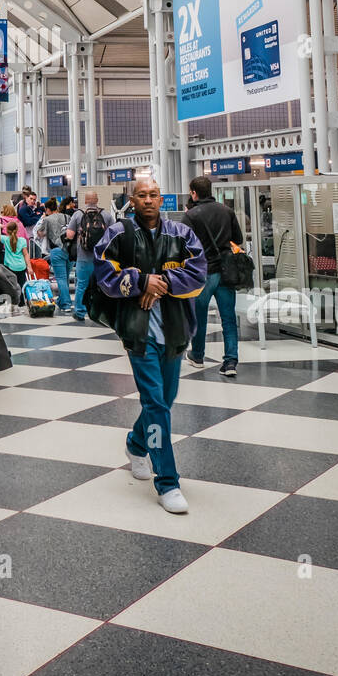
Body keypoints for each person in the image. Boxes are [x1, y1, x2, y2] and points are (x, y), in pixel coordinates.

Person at [94, 177, 207, 515]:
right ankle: (168, 482)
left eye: (153, 195)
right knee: (156, 404)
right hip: (138, 332)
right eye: (141, 195)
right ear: (132, 199)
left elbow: (198, 273)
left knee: (166, 399)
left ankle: (136, 444)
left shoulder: (182, 234)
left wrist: (161, 283)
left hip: (175, 331)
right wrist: (142, 280)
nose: (148, 200)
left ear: (162, 199)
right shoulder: (118, 233)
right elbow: (104, 275)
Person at [182, 176, 244, 377]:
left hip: (203, 273)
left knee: (199, 317)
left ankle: (197, 355)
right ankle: (230, 362)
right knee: (228, 318)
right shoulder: (227, 211)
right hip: (226, 272)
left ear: (194, 192)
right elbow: (239, 239)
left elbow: (183, 245)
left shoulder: (191, 215)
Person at [66, 191, 114, 320]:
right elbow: (114, 235)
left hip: (83, 257)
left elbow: (69, 235)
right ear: (97, 199)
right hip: (101, 258)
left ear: (85, 200)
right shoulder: (106, 215)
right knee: (102, 285)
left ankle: (80, 312)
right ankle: (101, 311)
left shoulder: (78, 215)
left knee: (82, 285)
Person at [34, 197, 72, 312]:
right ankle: (62, 300)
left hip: (56, 250)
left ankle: (66, 304)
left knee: (60, 278)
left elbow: (40, 233)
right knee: (65, 277)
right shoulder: (67, 217)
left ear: (47, 209)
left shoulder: (48, 219)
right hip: (70, 250)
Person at [3, 222, 34, 311]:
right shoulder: (23, 240)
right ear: (17, 230)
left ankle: (12, 302)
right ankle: (21, 302)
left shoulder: (5, 239)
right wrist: (29, 266)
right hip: (21, 266)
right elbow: (26, 254)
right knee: (21, 284)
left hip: (10, 266)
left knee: (11, 285)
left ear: (7, 231)